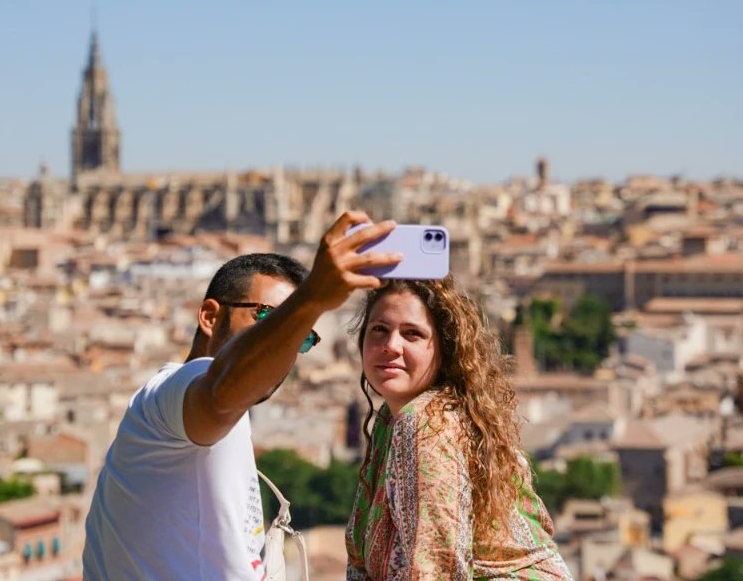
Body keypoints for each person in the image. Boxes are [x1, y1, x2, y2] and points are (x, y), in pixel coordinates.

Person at [83, 211, 402, 581]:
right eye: (268, 320)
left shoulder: (224, 423)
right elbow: (218, 392)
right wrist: (313, 297)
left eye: (301, 337)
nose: (285, 347)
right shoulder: (167, 399)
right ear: (209, 316)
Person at [346, 277, 574, 580]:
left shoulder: (426, 424)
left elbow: (434, 567)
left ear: (445, 349)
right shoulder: (393, 419)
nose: (391, 346)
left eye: (412, 334)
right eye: (379, 330)